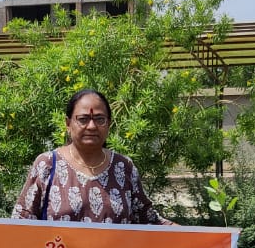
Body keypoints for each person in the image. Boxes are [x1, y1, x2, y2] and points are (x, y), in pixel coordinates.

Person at [12, 89, 175, 225]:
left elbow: (149, 221)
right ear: (68, 124)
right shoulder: (47, 165)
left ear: (109, 124)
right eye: (83, 119)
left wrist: (195, 237)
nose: (91, 126)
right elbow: (20, 223)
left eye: (99, 119)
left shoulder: (123, 167)